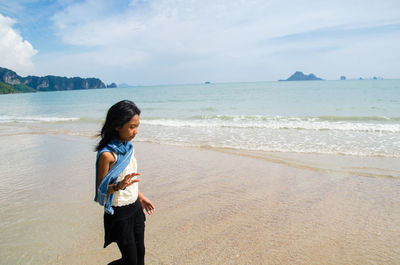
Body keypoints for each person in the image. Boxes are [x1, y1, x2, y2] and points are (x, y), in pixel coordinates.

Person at [94, 100, 155, 265]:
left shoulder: (128, 148)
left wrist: (140, 196)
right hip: (119, 212)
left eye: (137, 126)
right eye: (131, 127)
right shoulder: (107, 155)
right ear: (117, 125)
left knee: (140, 254)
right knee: (130, 261)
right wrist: (119, 186)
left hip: (135, 207)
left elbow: (131, 179)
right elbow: (101, 189)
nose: (135, 131)